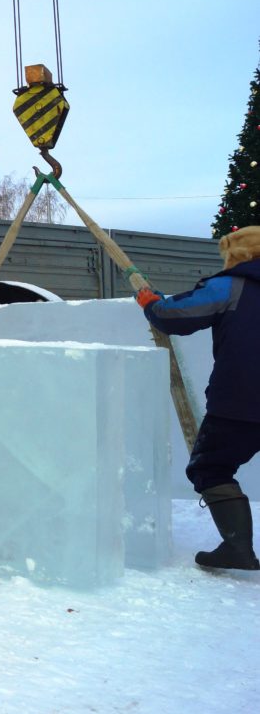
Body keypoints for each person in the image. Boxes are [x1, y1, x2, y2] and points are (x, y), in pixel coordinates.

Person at [138, 224, 260, 571]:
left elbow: (174, 316)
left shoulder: (231, 286)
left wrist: (151, 303)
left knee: (211, 466)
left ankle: (238, 548)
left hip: (242, 401)